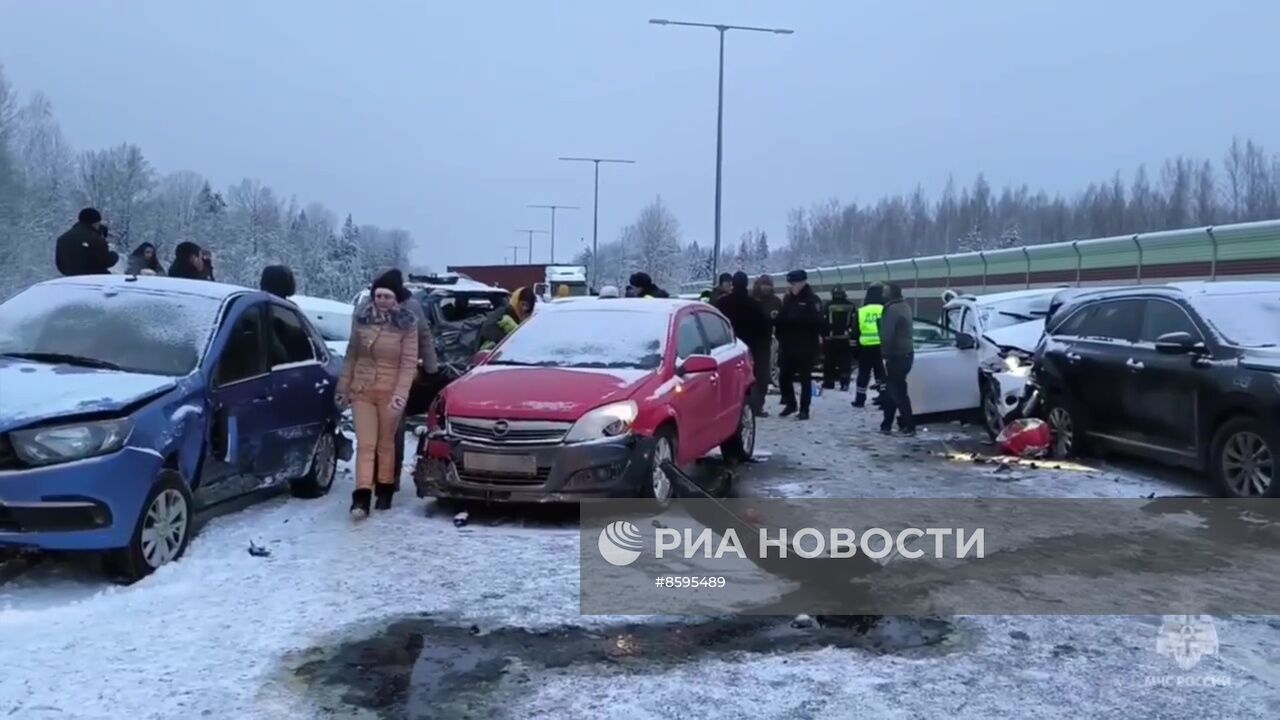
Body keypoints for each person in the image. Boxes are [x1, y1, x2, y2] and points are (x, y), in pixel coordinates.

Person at [337, 270, 419, 517]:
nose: (382, 300)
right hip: (363, 389)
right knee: (366, 444)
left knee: (385, 443)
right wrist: (343, 387)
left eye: (387, 296)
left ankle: (384, 489)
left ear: (396, 298)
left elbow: (408, 362)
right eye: (378, 295)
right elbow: (352, 354)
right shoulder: (362, 320)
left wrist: (401, 393)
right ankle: (361, 497)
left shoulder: (406, 324)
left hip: (390, 391)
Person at [714, 271, 771, 415]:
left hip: (728, 349)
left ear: (733, 284)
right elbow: (766, 330)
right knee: (753, 378)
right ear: (747, 284)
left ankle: (727, 407)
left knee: (729, 379)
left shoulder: (722, 303)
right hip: (752, 348)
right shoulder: (755, 305)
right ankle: (755, 407)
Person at [774, 269, 824, 420]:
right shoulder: (788, 300)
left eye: (793, 283)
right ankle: (791, 403)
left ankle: (804, 409)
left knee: (805, 379)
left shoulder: (812, 300)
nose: (791, 286)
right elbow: (781, 320)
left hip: (805, 346)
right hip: (788, 345)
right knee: (784, 377)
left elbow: (818, 322)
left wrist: (796, 321)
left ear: (802, 283)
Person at [878, 283, 915, 436]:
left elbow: (886, 335)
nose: (882, 294)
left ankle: (909, 425)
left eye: (885, 291)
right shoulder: (905, 306)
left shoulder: (891, 310)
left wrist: (883, 353)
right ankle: (887, 424)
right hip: (907, 354)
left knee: (898, 392)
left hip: (896, 355)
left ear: (891, 294)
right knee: (892, 390)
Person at [852, 283, 887, 408]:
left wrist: (854, 349)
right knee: (882, 373)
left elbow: (855, 332)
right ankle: (883, 397)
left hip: (865, 348)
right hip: (882, 347)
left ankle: (860, 399)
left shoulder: (861, 311)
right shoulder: (885, 309)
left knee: (863, 374)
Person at [55, 208, 119, 276]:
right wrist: (114, 255)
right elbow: (106, 262)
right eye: (98, 222)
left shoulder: (62, 238)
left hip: (70, 278)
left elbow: (60, 265)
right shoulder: (95, 239)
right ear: (94, 223)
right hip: (94, 279)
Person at [821, 287, 857, 391]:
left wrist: (824, 334)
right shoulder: (851, 305)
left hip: (831, 338)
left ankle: (829, 382)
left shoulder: (828, 305)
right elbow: (854, 322)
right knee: (845, 362)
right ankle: (844, 383)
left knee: (829, 362)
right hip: (846, 338)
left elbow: (823, 321)